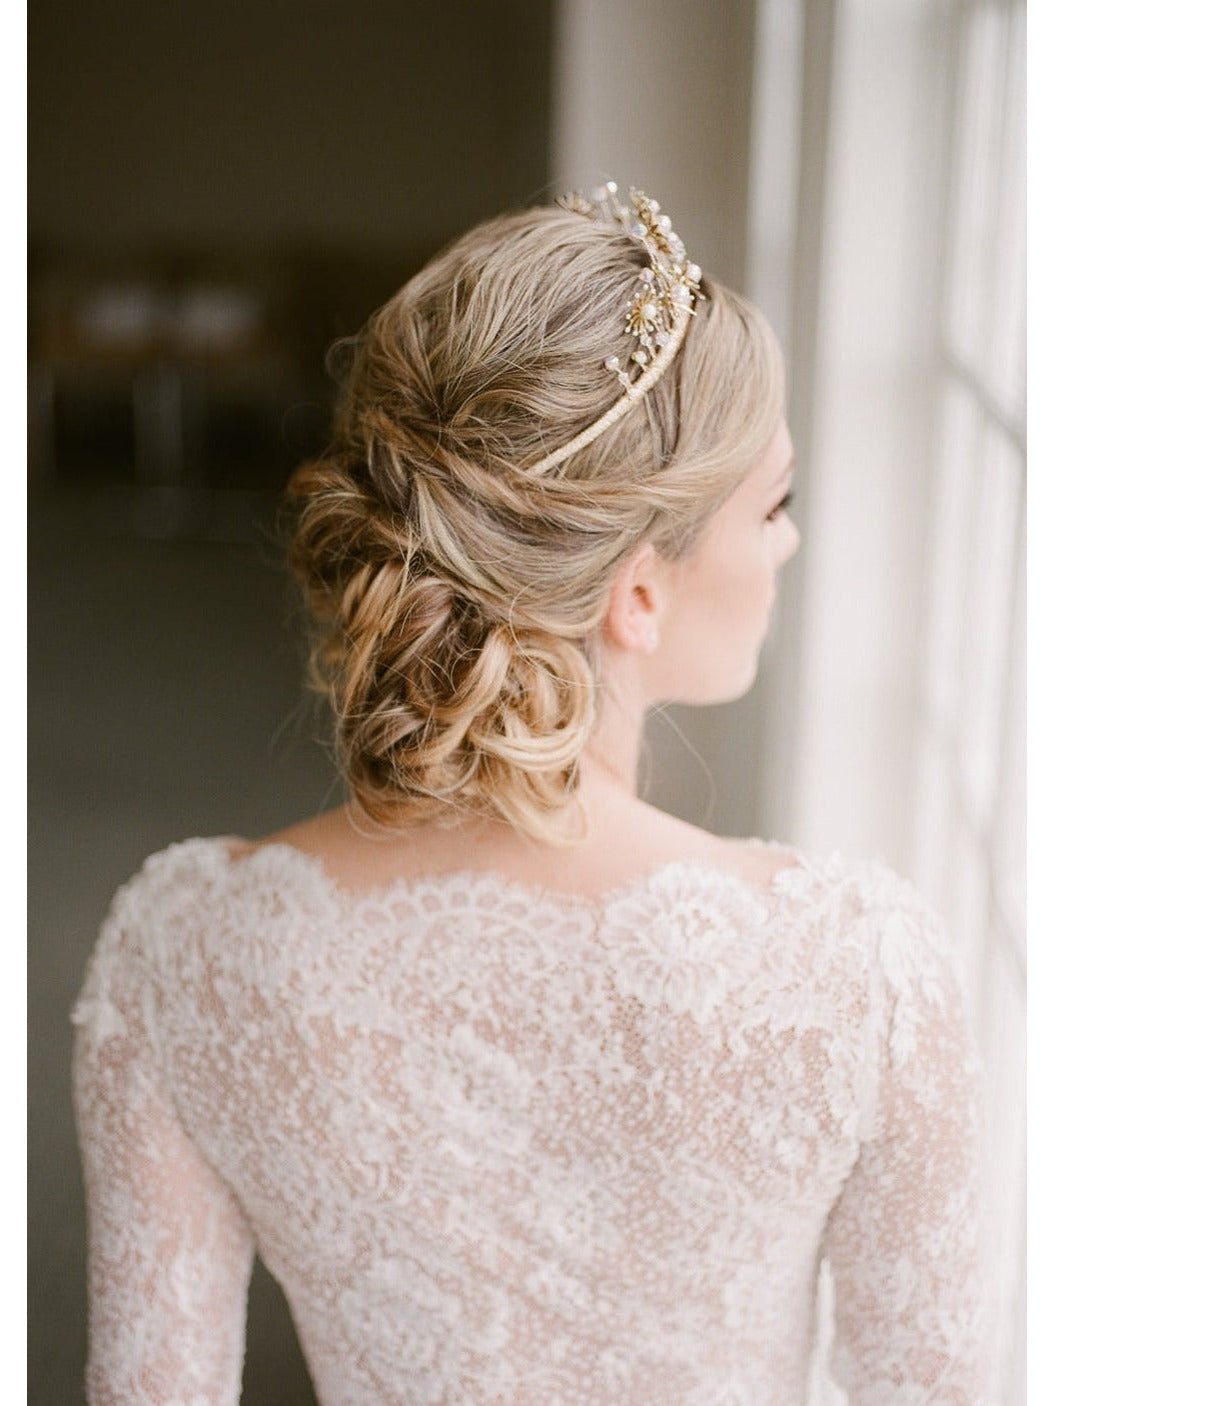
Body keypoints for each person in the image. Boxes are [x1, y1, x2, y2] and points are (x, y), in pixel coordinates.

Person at [72, 185, 992, 1403]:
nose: (786, 542)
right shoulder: (858, 970)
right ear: (637, 593)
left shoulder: (177, 950)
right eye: (771, 505)